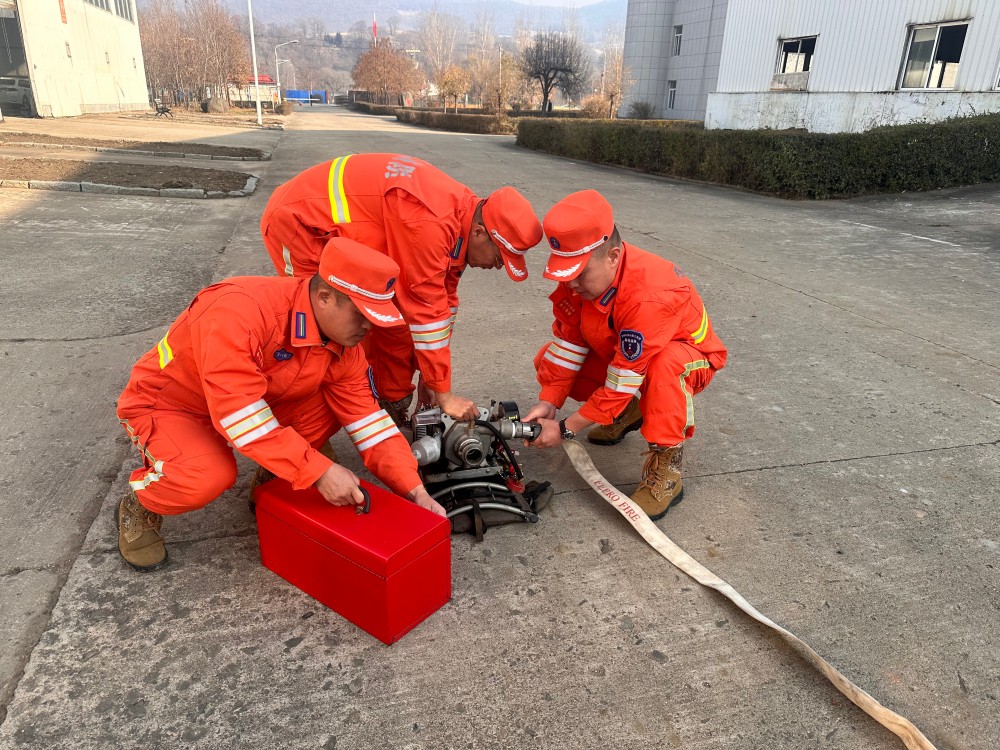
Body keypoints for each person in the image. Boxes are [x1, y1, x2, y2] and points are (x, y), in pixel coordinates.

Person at [116, 237, 446, 572]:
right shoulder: (237, 311)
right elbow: (240, 414)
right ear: (324, 297)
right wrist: (317, 471)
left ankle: (275, 475)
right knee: (206, 477)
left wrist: (414, 490)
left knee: (333, 406)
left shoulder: (342, 343)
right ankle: (141, 501)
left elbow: (369, 422)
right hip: (173, 405)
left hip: (250, 400)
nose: (368, 327)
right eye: (361, 315)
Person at [259, 153, 543, 424]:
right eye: (500, 257)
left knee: (392, 321)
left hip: (344, 231)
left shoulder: (463, 218)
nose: (498, 266)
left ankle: (388, 402)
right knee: (322, 328)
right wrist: (444, 395)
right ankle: (299, 428)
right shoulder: (431, 222)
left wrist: (433, 380)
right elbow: (426, 310)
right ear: (480, 233)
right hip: (302, 223)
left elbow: (442, 305)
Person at [524, 190, 727, 520]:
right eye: (565, 272)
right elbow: (569, 343)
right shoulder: (580, 280)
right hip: (631, 359)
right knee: (549, 357)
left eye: (579, 273)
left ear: (613, 256)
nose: (571, 283)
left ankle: (667, 469)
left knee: (664, 366)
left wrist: (565, 429)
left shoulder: (649, 295)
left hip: (691, 357)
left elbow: (623, 379)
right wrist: (549, 401)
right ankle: (629, 410)